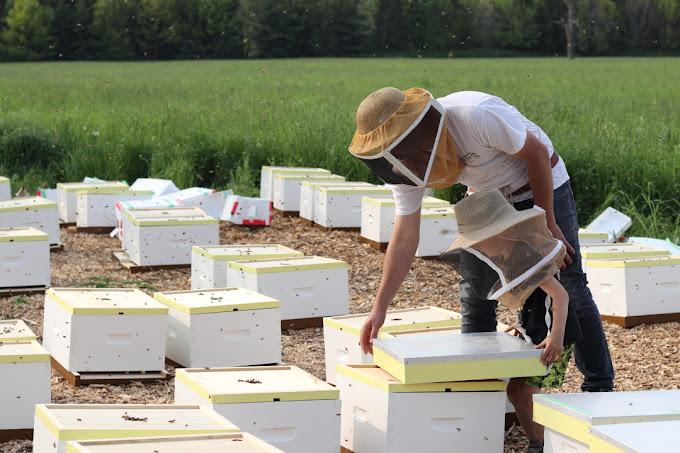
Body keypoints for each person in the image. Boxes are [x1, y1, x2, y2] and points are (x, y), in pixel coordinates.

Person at [349, 87, 614, 393]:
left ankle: (599, 387)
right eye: (391, 151)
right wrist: (379, 308)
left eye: (399, 146)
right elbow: (405, 237)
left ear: (418, 129)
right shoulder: (405, 166)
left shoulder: (476, 115)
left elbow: (537, 153)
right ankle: (479, 393)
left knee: (568, 282)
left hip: (540, 182)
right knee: (476, 292)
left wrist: (548, 222)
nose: (400, 157)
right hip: (488, 201)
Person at [438, 189, 582, 453]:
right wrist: (522, 326)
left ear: (498, 233)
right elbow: (533, 301)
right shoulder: (508, 254)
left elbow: (559, 296)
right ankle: (539, 442)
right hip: (537, 331)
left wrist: (556, 336)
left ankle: (543, 445)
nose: (477, 248)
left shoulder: (525, 256)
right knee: (518, 391)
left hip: (555, 334)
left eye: (479, 242)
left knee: (521, 392)